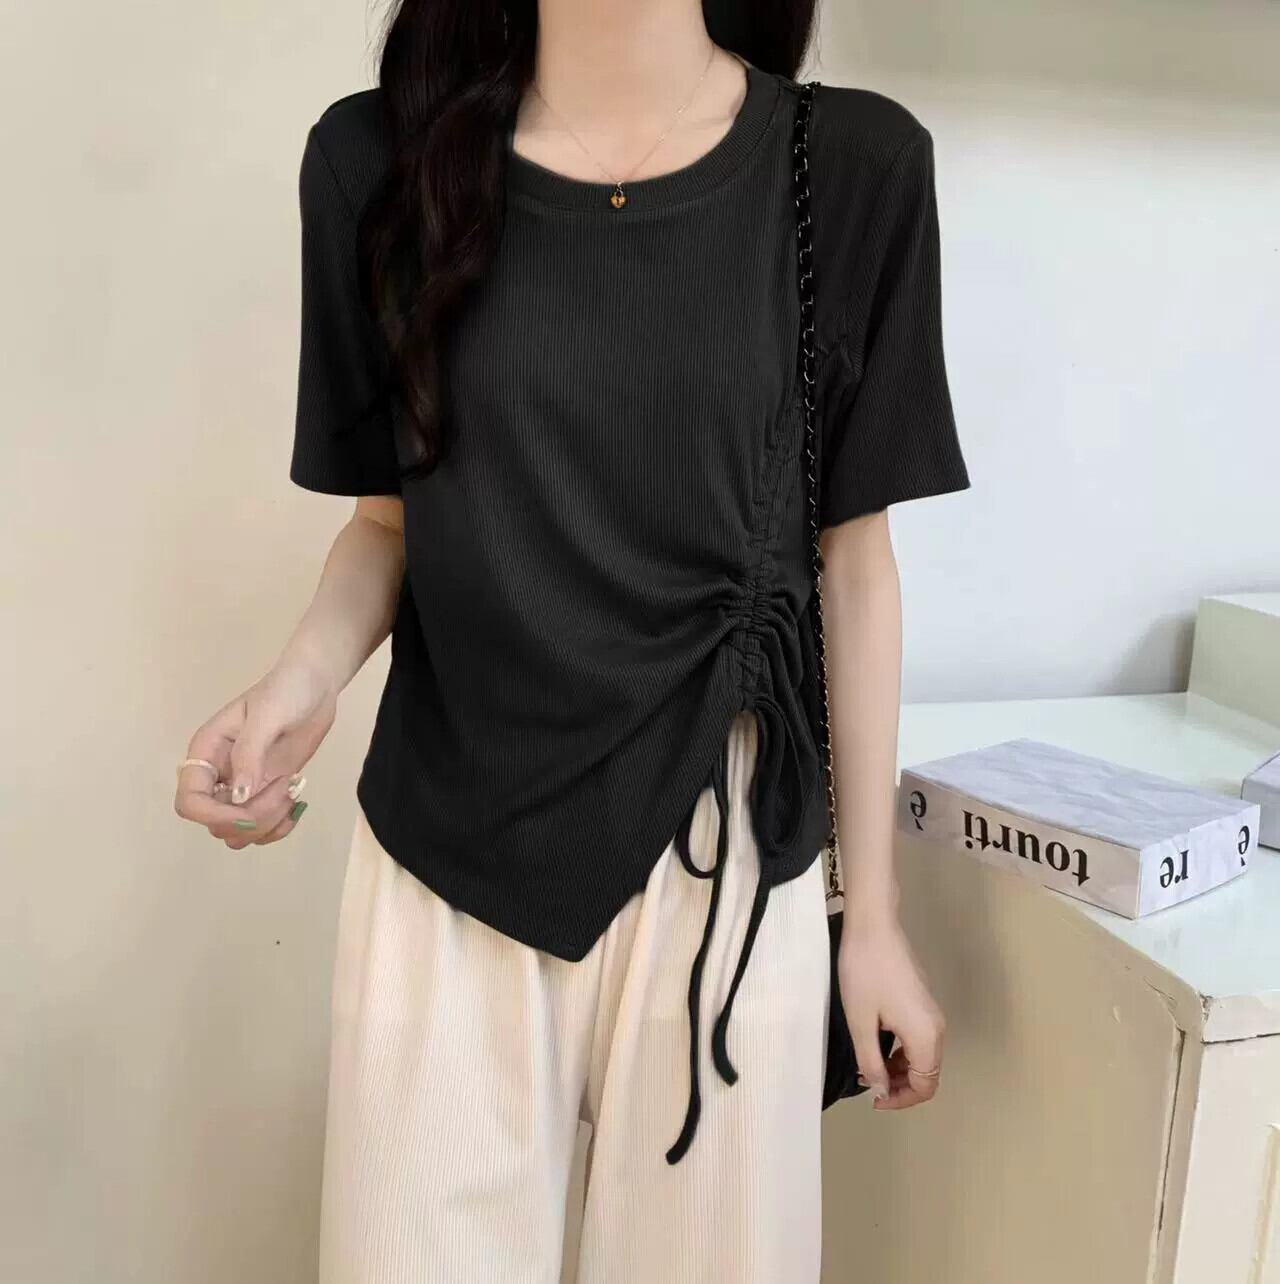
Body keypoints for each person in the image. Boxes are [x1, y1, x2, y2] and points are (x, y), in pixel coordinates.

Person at [173, 2, 971, 1280]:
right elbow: (387, 525)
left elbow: (853, 565)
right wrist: (296, 686)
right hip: (451, 856)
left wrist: (868, 919)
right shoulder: (380, 163)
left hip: (722, 861)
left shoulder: (850, 167)